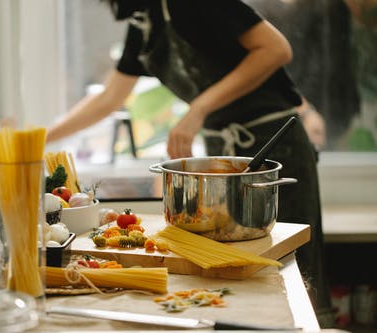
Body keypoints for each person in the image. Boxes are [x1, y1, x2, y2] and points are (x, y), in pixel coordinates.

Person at [47, 0, 334, 326]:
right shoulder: (146, 19)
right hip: (221, 156)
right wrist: (42, 136)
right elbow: (111, 96)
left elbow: (276, 49)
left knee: (288, 267)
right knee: (238, 272)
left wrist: (198, 108)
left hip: (273, 148)